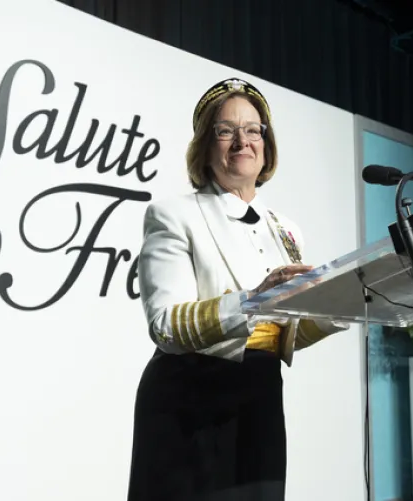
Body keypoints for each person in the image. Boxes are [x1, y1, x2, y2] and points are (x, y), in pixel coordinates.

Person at [127, 78, 348, 501]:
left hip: (259, 399)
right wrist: (253, 300)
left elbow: (282, 331)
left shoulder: (285, 229)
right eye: (225, 130)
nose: (241, 141)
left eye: (253, 129)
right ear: (205, 148)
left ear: (266, 144)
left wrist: (342, 305)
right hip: (187, 399)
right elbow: (164, 325)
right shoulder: (172, 214)